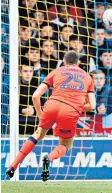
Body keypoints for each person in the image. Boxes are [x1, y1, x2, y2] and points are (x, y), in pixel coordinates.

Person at [6, 50, 96, 182]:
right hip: (70, 110)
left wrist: (41, 115)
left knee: (38, 134)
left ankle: (13, 166)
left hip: (52, 105)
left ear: (64, 61)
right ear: (78, 63)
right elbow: (92, 105)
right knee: (66, 143)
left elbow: (35, 96)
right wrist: (76, 106)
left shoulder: (56, 71)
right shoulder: (88, 77)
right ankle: (50, 157)